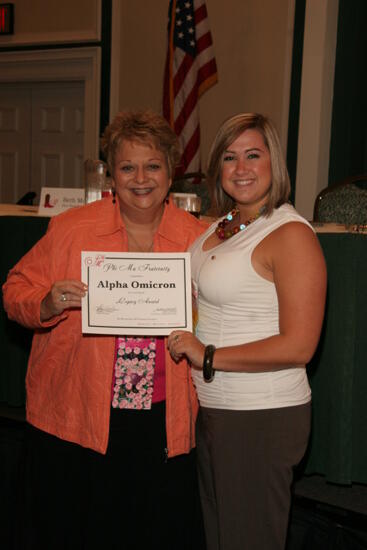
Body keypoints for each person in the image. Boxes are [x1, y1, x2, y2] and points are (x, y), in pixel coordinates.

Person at [2, 110, 207, 550]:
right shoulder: (72, 229)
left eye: (153, 165)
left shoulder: (197, 238)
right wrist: (47, 302)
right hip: (78, 413)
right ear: (111, 174)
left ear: (171, 172)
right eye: (127, 166)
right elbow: (14, 289)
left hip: (160, 419)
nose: (140, 178)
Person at [167, 113, 327, 550]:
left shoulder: (290, 234)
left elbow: (300, 345)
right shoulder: (222, 226)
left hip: (261, 415)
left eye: (253, 155)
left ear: (274, 162)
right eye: (230, 157)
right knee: (222, 537)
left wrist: (209, 355)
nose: (241, 168)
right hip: (217, 410)